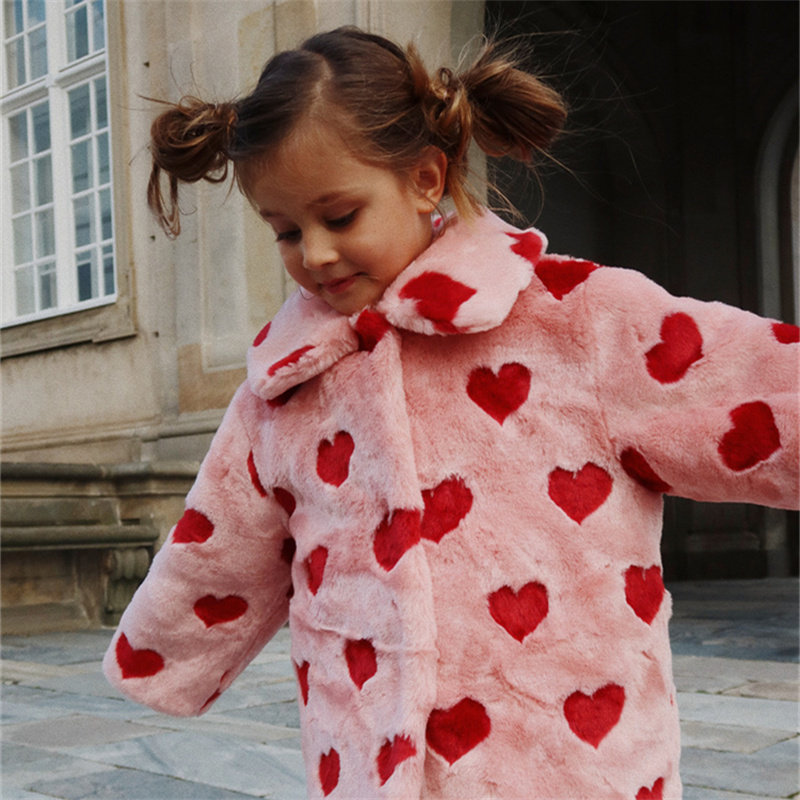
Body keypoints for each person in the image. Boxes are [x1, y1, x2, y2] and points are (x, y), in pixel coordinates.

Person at [103, 26, 799, 800]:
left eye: (341, 216)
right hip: (368, 756)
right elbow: (222, 539)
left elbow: (740, 384)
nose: (316, 253)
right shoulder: (286, 387)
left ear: (425, 179)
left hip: (570, 761)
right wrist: (162, 652)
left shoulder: (579, 323)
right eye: (287, 232)